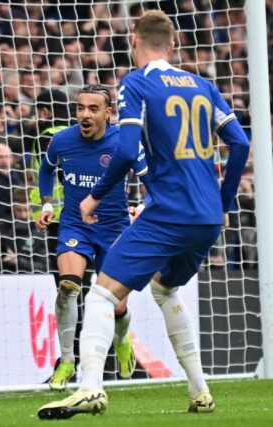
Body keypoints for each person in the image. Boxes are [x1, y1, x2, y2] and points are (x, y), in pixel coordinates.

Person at [38, 10, 250, 419]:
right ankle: (200, 390)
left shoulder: (136, 83)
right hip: (206, 216)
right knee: (165, 289)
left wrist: (94, 197)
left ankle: (89, 388)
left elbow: (124, 149)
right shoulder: (204, 85)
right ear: (173, 44)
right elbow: (239, 143)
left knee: (100, 294)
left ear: (134, 39)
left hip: (168, 211)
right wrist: (223, 203)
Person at [36, 85, 147, 392]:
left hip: (114, 230)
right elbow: (46, 170)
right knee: (67, 287)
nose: (84, 114)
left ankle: (122, 339)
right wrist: (47, 205)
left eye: (93, 109)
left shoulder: (124, 143)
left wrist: (143, 205)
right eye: (80, 108)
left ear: (108, 113)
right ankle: (68, 361)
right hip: (74, 226)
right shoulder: (62, 140)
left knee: (117, 306)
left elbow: (151, 180)